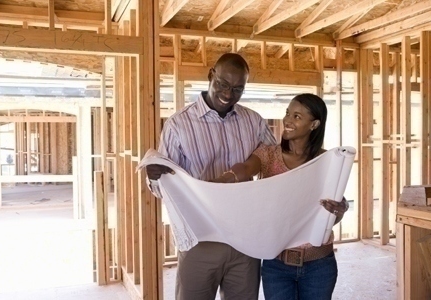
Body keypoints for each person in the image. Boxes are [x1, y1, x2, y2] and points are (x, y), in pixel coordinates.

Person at [145, 53, 277, 300]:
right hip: (200, 239)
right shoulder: (178, 125)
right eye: (223, 85)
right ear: (210, 75)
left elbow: (275, 165)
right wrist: (155, 178)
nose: (229, 94)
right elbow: (164, 190)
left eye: (238, 89)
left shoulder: (254, 121)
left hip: (244, 239)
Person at [212, 93, 349, 300]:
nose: (287, 120)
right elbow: (246, 168)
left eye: (297, 116)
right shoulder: (268, 155)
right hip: (276, 265)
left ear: (314, 124)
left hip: (319, 266)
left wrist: (340, 209)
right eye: (287, 113)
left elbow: (333, 212)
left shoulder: (327, 161)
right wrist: (222, 181)